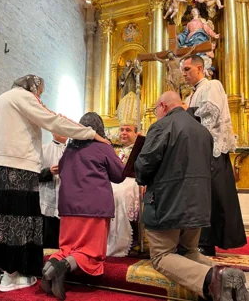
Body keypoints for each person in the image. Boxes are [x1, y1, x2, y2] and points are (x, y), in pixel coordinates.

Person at [0, 74, 110, 292]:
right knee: (17, 219)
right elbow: (53, 120)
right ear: (33, 87)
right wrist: (90, 134)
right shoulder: (25, 98)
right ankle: (12, 275)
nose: (39, 95)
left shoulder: (3, 98)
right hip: (19, 166)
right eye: (40, 91)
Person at [134, 91, 248, 301]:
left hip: (167, 204)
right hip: (198, 204)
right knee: (189, 250)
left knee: (162, 256)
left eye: (155, 110)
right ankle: (231, 277)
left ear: (163, 106)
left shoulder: (162, 126)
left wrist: (139, 174)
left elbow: (144, 164)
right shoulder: (203, 131)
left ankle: (214, 278)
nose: (156, 114)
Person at [41, 112, 125, 300]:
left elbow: (62, 170)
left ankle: (49, 270)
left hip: (68, 208)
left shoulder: (69, 149)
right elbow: (119, 175)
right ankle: (62, 269)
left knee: (66, 249)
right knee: (91, 252)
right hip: (93, 208)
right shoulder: (102, 147)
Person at [182, 55, 246, 255]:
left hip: (213, 150)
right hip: (198, 153)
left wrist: (186, 112)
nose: (183, 74)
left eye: (187, 69)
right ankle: (202, 241)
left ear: (200, 68)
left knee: (215, 196)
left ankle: (210, 242)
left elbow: (211, 112)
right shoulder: (190, 95)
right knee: (202, 197)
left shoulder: (212, 86)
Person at [107, 123, 139, 257]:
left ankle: (121, 238)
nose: (124, 133)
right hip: (117, 181)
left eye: (128, 130)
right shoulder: (114, 150)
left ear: (136, 134)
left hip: (134, 182)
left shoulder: (141, 150)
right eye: (122, 130)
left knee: (118, 194)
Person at [39, 134, 68, 249]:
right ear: (52, 131)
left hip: (66, 200)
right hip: (47, 199)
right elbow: (32, 175)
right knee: (48, 237)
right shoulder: (43, 149)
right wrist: (49, 171)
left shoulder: (73, 151)